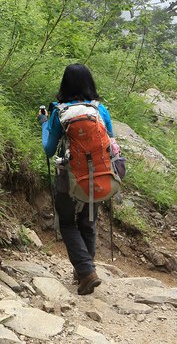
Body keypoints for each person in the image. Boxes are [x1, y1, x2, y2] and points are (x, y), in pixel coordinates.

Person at [40, 63, 115, 295]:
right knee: (88, 222)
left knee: (67, 223)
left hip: (70, 178)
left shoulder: (58, 112)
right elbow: (110, 142)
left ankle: (86, 271)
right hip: (100, 176)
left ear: (65, 84)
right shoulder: (99, 110)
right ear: (89, 83)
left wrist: (44, 125)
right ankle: (84, 271)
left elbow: (48, 149)